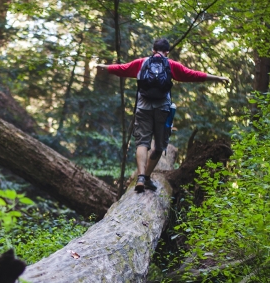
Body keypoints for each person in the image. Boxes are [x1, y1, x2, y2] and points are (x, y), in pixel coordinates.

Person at [96, 38, 230, 193]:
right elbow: (193, 74)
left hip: (143, 107)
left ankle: (140, 177)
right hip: (162, 109)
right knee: (159, 147)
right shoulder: (171, 65)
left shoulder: (141, 63)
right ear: (167, 52)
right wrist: (217, 78)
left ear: (153, 50)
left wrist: (103, 67)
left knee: (142, 143)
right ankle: (146, 177)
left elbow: (121, 68)